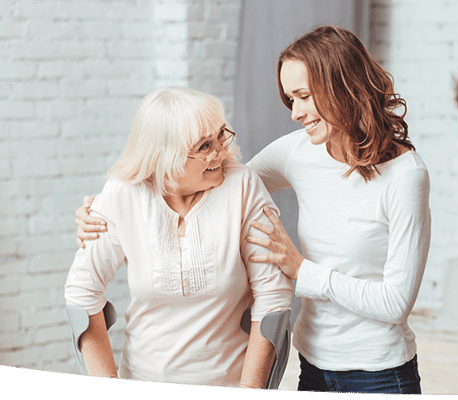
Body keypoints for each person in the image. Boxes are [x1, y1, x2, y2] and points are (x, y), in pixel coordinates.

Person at [76, 26, 431, 394]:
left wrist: (301, 270)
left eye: (304, 96)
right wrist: (106, 210)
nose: (295, 113)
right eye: (289, 100)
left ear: (342, 85)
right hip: (313, 364)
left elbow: (396, 303)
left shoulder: (407, 176)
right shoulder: (299, 151)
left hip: (379, 371)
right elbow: (224, 181)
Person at [65, 87, 293, 389]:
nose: (221, 152)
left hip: (230, 382)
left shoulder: (242, 186)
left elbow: (273, 298)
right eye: (204, 146)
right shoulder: (123, 194)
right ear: (164, 156)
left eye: (220, 135)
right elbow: (82, 293)